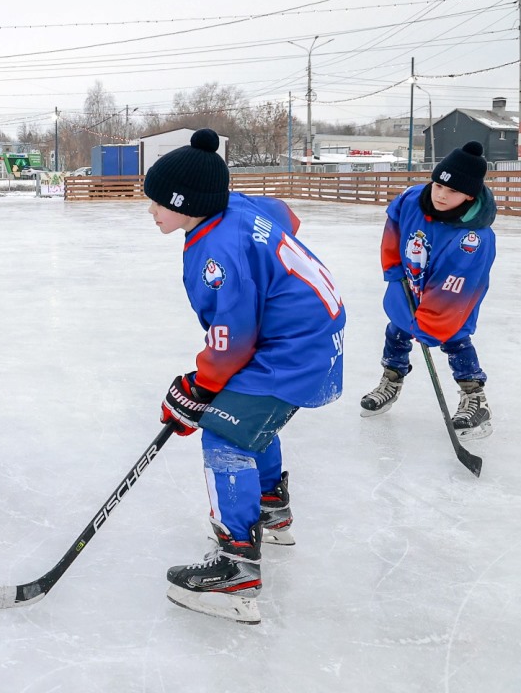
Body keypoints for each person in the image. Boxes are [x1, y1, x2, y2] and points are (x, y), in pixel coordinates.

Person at [143, 129, 346, 624]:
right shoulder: (234, 207)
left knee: (225, 431)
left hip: (290, 351)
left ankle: (237, 566)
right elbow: (284, 215)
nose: (151, 211)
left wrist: (199, 387)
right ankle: (271, 508)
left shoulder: (220, 254)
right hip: (309, 335)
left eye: (159, 203)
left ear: (188, 203)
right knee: (251, 419)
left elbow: (233, 338)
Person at [359, 141, 495, 440]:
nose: (442, 195)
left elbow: (456, 286)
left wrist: (430, 322)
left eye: (453, 191)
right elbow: (393, 227)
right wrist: (394, 270)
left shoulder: (473, 238)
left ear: (469, 196)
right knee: (397, 329)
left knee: (455, 339)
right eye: (438, 186)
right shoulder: (412, 200)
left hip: (452, 297)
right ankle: (391, 380)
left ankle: (475, 396)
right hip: (412, 282)